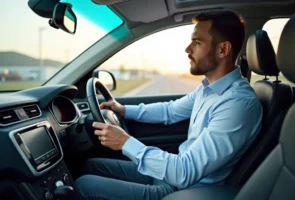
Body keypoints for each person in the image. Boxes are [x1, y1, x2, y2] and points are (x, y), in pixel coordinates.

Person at [75, 9, 263, 200]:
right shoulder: (209, 89)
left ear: (223, 49)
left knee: (84, 185)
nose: (187, 49)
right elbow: (170, 111)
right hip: (170, 175)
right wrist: (123, 110)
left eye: (197, 42)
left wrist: (125, 142)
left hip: (184, 189)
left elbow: (185, 171)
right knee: (92, 165)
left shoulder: (238, 104)